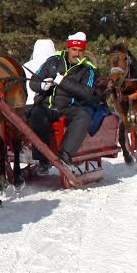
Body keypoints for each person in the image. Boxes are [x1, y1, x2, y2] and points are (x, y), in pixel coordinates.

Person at [27, 32, 100, 176]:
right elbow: (34, 80)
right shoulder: (53, 61)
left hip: (70, 108)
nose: (76, 53)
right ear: (68, 48)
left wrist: (63, 81)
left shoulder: (88, 69)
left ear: (83, 51)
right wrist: (41, 85)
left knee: (85, 115)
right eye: (74, 49)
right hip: (47, 106)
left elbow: (87, 93)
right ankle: (43, 159)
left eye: (80, 50)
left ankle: (65, 153)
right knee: (35, 114)